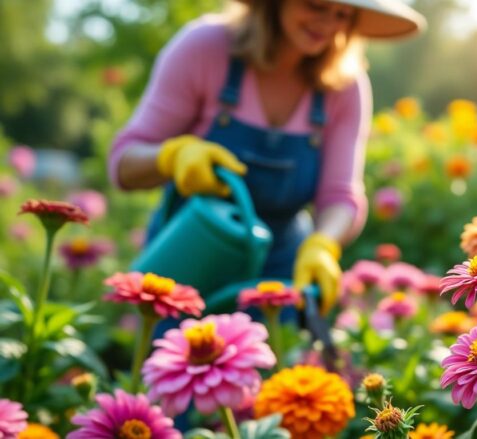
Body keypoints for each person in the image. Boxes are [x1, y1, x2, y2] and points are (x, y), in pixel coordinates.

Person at [109, 0, 426, 315]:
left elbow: (340, 196)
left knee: (277, 356)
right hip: (189, 253)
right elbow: (124, 163)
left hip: (278, 272)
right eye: (316, 6)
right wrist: (172, 156)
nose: (328, 23)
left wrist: (323, 244)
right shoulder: (204, 49)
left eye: (343, 14)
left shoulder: (344, 87)